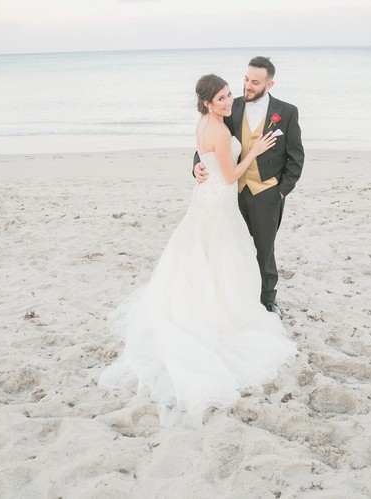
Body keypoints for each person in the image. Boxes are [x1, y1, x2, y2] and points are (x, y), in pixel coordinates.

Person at [98, 74, 297, 427]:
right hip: (220, 197)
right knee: (223, 253)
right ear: (207, 102)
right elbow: (231, 172)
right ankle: (229, 309)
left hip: (214, 198)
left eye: (230, 94)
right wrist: (251, 150)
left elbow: (221, 153)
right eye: (221, 98)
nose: (229, 101)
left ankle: (251, 298)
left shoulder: (210, 120)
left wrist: (279, 188)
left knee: (206, 253)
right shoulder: (220, 128)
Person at [193, 56, 304, 319]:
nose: (247, 86)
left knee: (265, 249)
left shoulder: (286, 112)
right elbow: (208, 143)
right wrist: (196, 166)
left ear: (270, 83)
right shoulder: (232, 107)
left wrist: (281, 190)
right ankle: (241, 297)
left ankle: (268, 300)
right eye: (245, 79)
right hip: (232, 194)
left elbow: (296, 157)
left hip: (267, 193)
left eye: (255, 82)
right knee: (236, 248)